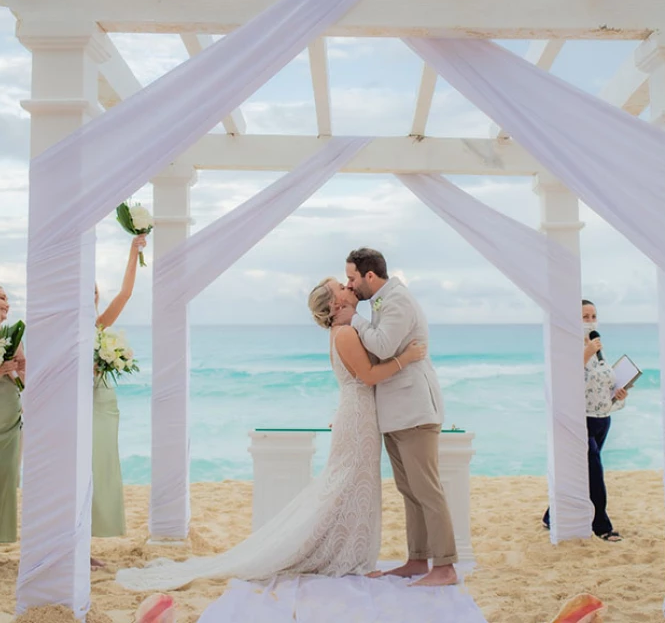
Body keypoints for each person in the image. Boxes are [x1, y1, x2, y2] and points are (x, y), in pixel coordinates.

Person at [116, 277, 426, 591]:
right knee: (349, 486)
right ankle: (348, 560)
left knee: (356, 486)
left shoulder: (346, 330)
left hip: (358, 415)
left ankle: (352, 556)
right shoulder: (344, 333)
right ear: (335, 305)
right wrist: (407, 358)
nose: (348, 288)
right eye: (341, 288)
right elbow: (369, 376)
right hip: (358, 417)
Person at [336, 247, 458, 587]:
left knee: (427, 490)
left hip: (415, 411)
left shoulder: (397, 301)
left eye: (352, 278)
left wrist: (353, 320)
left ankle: (445, 567)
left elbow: (384, 346)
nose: (350, 285)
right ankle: (418, 560)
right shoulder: (380, 304)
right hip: (397, 414)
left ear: (369, 276)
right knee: (410, 490)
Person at [542, 299, 629, 542]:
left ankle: (551, 515)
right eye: (585, 317)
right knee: (595, 474)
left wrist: (618, 393)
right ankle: (602, 525)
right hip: (582, 422)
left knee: (585, 473)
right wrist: (584, 354)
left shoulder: (598, 347)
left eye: (593, 316)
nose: (590, 321)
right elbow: (564, 381)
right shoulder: (571, 348)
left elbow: (602, 385)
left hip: (603, 419)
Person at [91, 234, 147, 568]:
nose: (94, 294)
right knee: (89, 472)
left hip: (105, 404)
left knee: (103, 471)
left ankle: (85, 545)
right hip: (86, 409)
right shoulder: (70, 331)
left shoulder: (99, 326)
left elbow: (125, 293)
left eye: (94, 290)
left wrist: (132, 251)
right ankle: (77, 547)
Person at [0, 286, 24, 543]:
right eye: (0, 298)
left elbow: (23, 373)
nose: (5, 303)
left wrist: (21, 369)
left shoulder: (12, 334)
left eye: (6, 298)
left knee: (7, 477)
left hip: (9, 416)